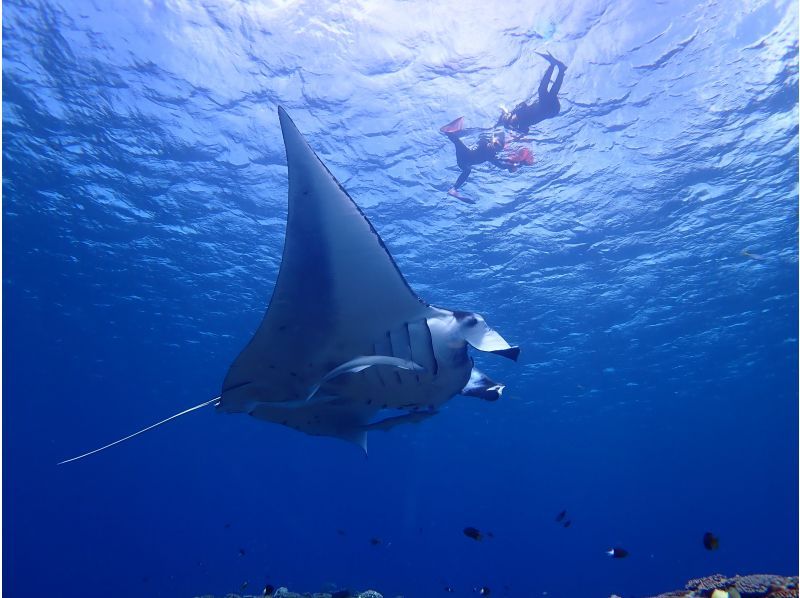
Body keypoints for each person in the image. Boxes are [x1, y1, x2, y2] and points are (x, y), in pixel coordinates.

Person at [440, 116, 524, 202]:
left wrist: (515, 165)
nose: (495, 148)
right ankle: (448, 132)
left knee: (467, 171)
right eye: (495, 144)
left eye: (498, 149)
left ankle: (453, 189)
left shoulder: (491, 156)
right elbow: (484, 131)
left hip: (464, 164)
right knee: (457, 142)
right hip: (465, 154)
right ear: (492, 140)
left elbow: (501, 165)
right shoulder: (484, 141)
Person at [497, 51, 567, 135]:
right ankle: (553, 66)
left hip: (551, 109)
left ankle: (561, 70)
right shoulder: (522, 123)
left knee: (552, 93)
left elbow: (516, 111)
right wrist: (514, 128)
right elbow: (523, 106)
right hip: (549, 109)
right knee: (542, 90)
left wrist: (506, 112)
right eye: (511, 121)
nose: (513, 120)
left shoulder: (518, 119)